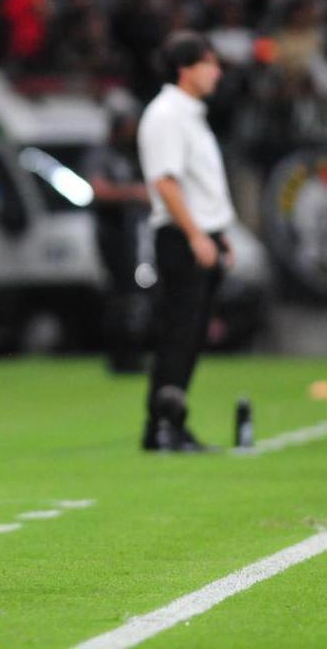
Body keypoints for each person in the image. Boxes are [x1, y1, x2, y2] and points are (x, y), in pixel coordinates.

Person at [137, 31, 234, 452]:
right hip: (181, 237)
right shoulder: (167, 115)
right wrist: (196, 234)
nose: (217, 72)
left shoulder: (190, 115)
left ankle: (166, 425)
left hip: (199, 235)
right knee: (179, 335)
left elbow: (198, 186)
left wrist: (218, 235)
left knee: (191, 335)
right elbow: (165, 181)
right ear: (185, 69)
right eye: (209, 63)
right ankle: (164, 427)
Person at [82, 113, 151, 373]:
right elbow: (98, 190)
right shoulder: (102, 155)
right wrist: (134, 193)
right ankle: (118, 355)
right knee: (119, 295)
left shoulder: (128, 155)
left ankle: (132, 353)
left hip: (131, 231)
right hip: (111, 232)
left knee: (132, 294)